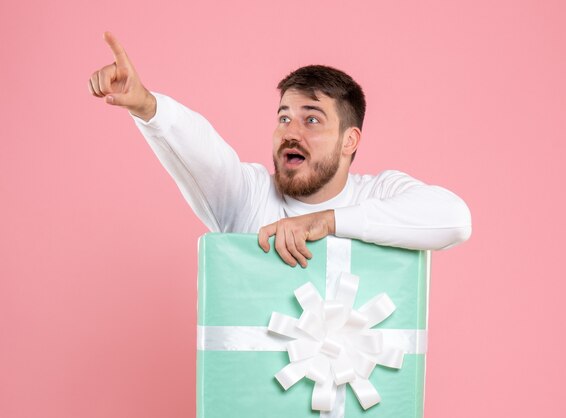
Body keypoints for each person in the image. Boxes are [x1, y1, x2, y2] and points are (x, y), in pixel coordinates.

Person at [88, 32, 472, 268]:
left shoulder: (380, 194)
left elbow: (454, 219)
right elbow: (201, 150)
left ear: (350, 141)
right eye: (284, 118)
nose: (291, 132)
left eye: (312, 119)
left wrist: (325, 222)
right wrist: (146, 105)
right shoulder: (247, 196)